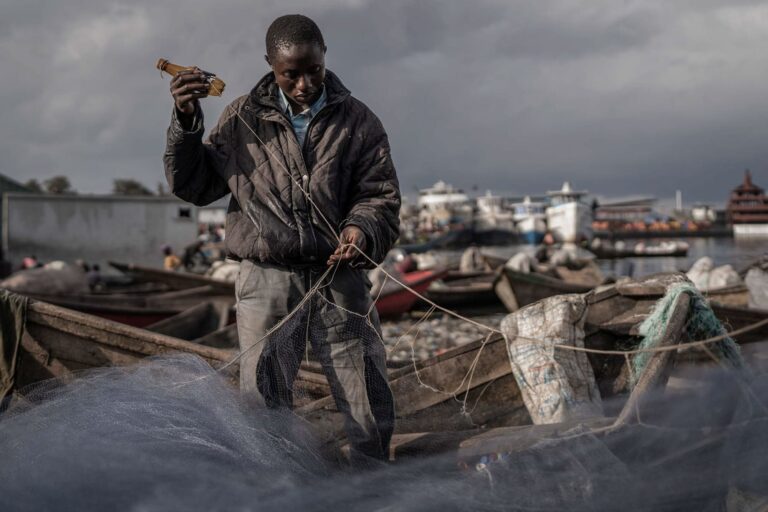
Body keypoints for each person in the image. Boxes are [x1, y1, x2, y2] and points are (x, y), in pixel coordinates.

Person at [164, 14, 400, 461]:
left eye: (313, 70)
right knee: (264, 397)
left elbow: (380, 196)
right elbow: (194, 186)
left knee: (366, 391)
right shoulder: (239, 119)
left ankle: (374, 481)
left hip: (340, 276)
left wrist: (360, 229)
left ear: (325, 56)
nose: (304, 84)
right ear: (271, 65)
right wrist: (186, 120)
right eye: (291, 74)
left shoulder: (358, 121)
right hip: (266, 280)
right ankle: (277, 492)